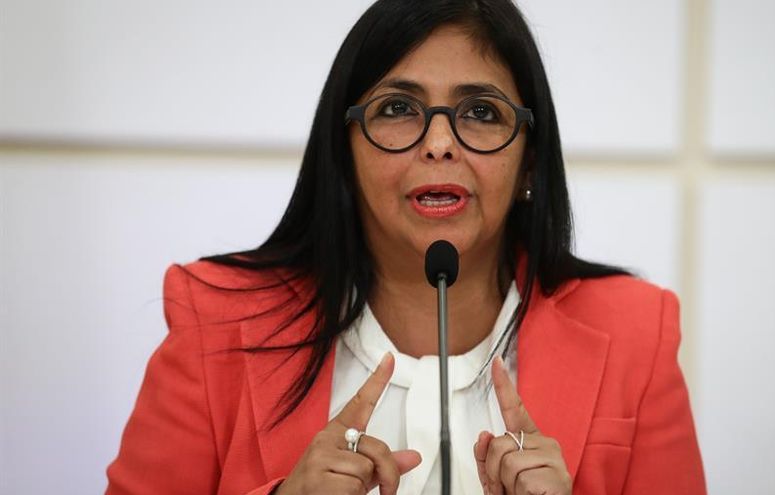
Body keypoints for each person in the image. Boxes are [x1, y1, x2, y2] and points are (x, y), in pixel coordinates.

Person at [106, 0, 706, 493]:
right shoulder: (217, 320)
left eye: (481, 111)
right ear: (344, 149)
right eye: (398, 108)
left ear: (529, 161)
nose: (440, 142)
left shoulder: (635, 333)